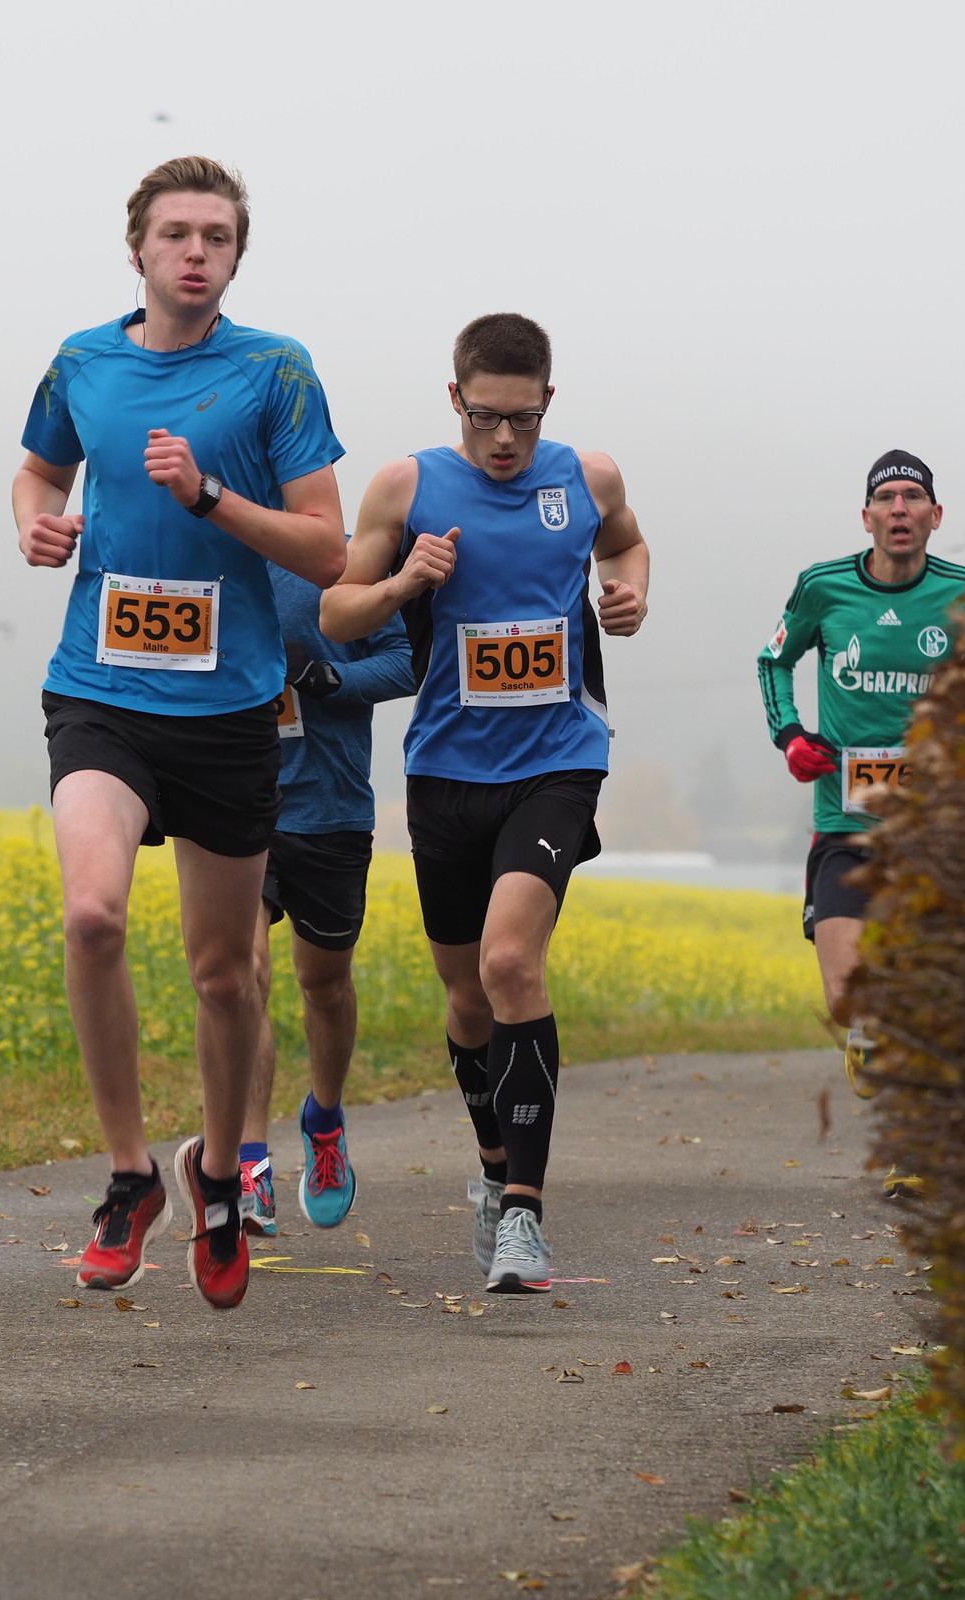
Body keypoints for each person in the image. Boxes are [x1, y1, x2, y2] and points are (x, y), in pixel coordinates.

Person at [12, 156, 346, 1309]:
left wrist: (211, 498)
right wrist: (36, 524)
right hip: (99, 690)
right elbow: (37, 472)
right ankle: (128, 1176)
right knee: (91, 914)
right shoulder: (82, 362)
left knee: (225, 974)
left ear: (236, 257)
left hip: (228, 709)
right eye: (176, 234)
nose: (195, 252)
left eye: (216, 236)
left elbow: (328, 550)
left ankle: (215, 1172)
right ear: (138, 250)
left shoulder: (275, 371)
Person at [321, 312, 648, 1293]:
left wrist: (628, 593)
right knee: (466, 998)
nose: (504, 439)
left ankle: (525, 1217)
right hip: (446, 770)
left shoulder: (588, 477)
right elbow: (337, 612)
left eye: (523, 419)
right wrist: (403, 583)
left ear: (548, 400)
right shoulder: (405, 486)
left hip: (559, 759)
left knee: (511, 961)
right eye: (484, 418)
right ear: (454, 399)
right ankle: (495, 1169)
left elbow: (627, 546)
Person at [754, 449, 965, 1199]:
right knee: (850, 997)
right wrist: (791, 735)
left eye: (914, 497)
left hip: (934, 839)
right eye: (887, 498)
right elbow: (773, 660)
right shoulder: (823, 587)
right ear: (867, 517)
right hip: (845, 829)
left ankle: (912, 1153)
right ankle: (866, 1043)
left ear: (935, 516)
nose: (900, 509)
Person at [237, 565, 414, 1234]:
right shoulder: (213, 551)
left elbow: (406, 661)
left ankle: (324, 1119)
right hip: (236, 802)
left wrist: (326, 677)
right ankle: (248, 1164)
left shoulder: (350, 566)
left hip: (330, 809)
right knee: (242, 975)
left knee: (325, 985)